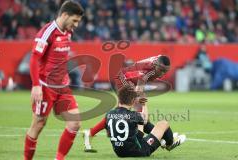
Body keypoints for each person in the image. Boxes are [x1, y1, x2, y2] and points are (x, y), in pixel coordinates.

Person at [23, 1, 84, 160]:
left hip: (62, 87)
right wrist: (36, 86)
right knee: (38, 125)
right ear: (64, 15)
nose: (76, 25)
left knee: (75, 123)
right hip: (45, 88)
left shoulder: (68, 31)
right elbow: (34, 59)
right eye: (75, 21)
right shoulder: (47, 32)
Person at [83, 55, 171, 152]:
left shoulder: (158, 62)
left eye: (165, 71)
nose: (162, 74)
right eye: (161, 70)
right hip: (123, 78)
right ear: (155, 65)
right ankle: (149, 138)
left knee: (118, 113)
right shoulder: (148, 73)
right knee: (136, 107)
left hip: (132, 79)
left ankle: (91, 132)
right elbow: (139, 92)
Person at [105, 86, 186, 157]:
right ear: (133, 101)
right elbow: (143, 127)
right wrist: (144, 104)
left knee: (138, 125)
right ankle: (170, 144)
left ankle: (163, 140)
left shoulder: (109, 114)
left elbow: (109, 134)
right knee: (163, 123)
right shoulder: (134, 115)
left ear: (119, 99)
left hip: (119, 152)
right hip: (138, 151)